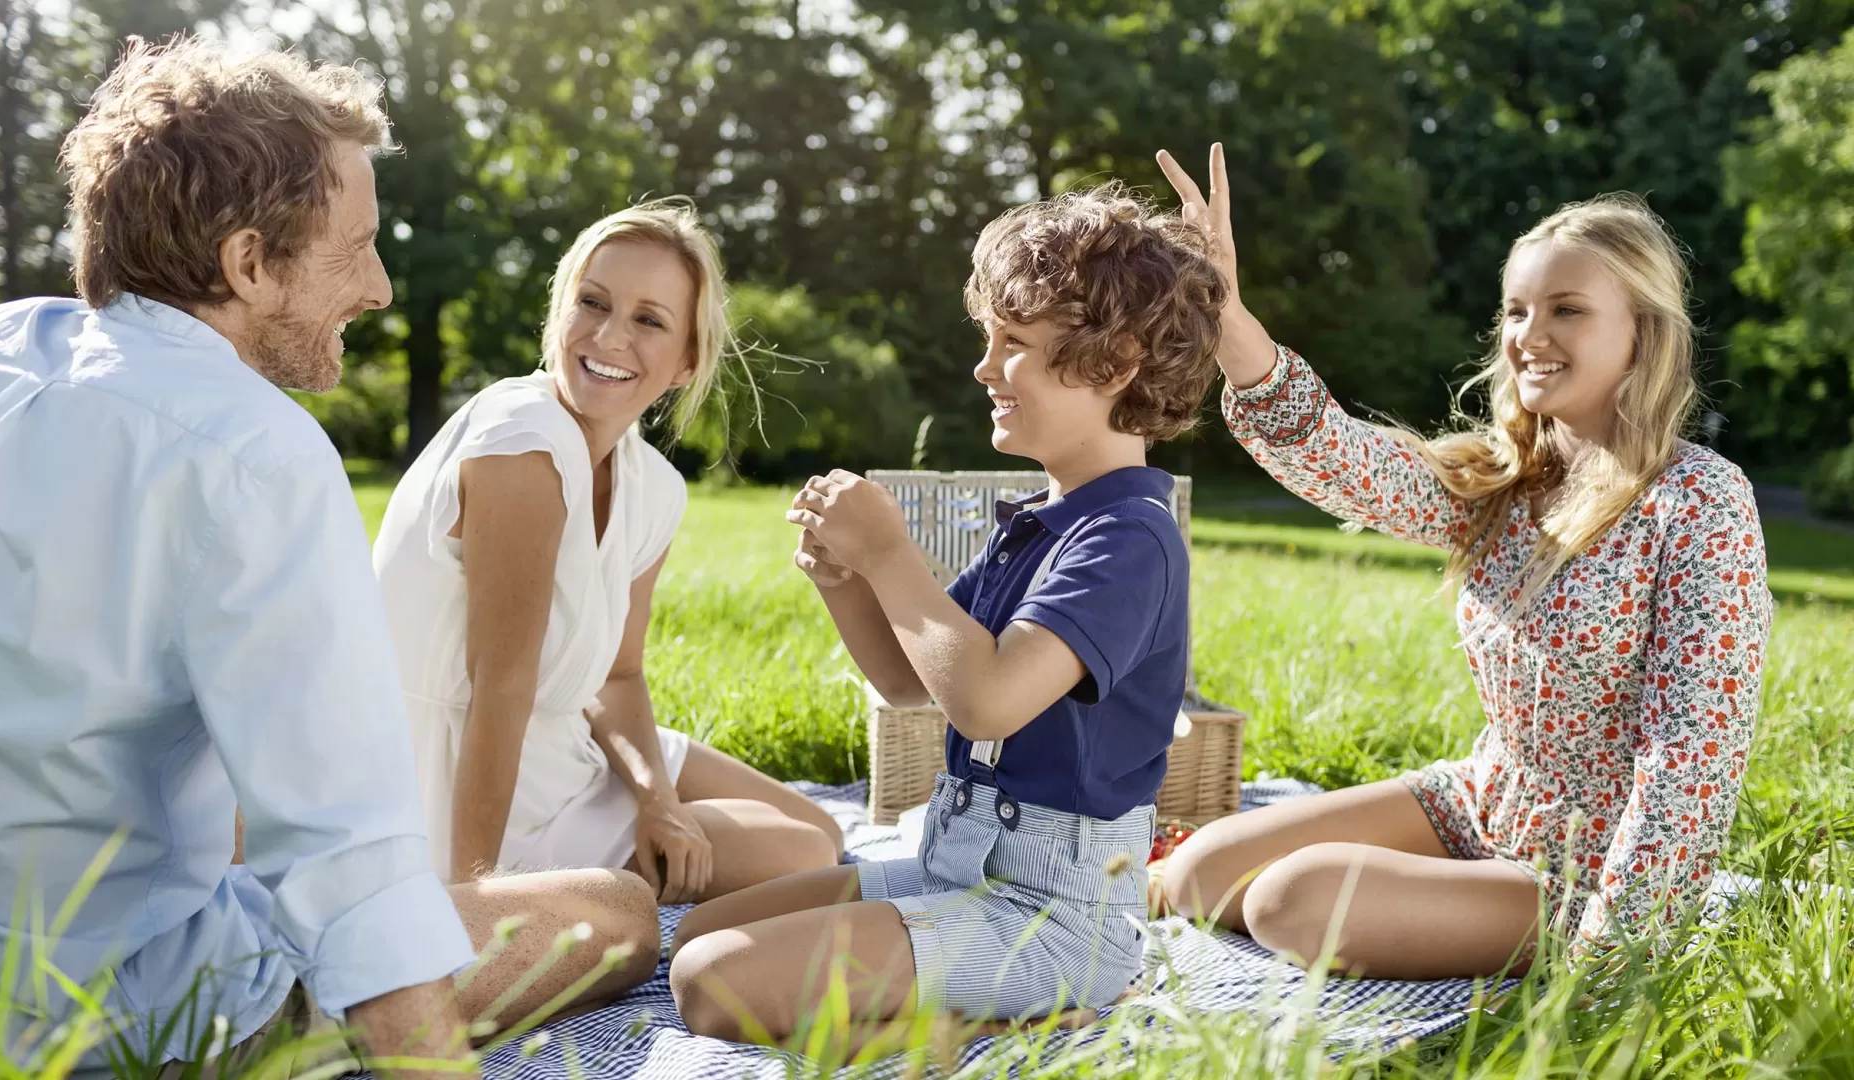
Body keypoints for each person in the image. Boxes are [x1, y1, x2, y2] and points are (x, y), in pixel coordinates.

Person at [0, 38, 657, 1077]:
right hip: (118, 1017)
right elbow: (350, 870)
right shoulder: (257, 452)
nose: (379, 287)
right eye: (354, 247)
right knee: (618, 911)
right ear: (245, 264)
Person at [1152, 145, 1773, 978]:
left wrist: (1612, 961)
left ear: (1644, 330)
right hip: (1481, 798)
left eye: (1566, 310)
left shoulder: (1700, 501)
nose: (1530, 337)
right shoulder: (1509, 479)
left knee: (1288, 901)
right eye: (1516, 311)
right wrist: (1226, 313)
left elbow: (1691, 755)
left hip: (1588, 871)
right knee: (1195, 871)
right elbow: (1341, 461)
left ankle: (1475, 913)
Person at [664, 183, 1226, 1046]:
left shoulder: (1128, 541)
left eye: (1014, 345)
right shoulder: (1046, 523)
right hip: (955, 869)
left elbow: (989, 701)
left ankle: (1013, 1029)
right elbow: (908, 679)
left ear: (1111, 366)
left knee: (713, 986)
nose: (984, 367)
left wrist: (892, 554)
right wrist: (846, 579)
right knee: (699, 935)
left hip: (1049, 918)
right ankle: (966, 1002)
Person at [371, 199, 843, 902]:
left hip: (560, 743)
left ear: (686, 360)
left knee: (822, 831)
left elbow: (618, 677)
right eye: (591, 302)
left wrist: (657, 798)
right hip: (452, 769)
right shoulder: (522, 440)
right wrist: (476, 897)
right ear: (558, 314)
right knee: (801, 852)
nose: (610, 335)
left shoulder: (652, 485)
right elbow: (500, 687)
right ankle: (584, 894)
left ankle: (642, 864)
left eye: (649, 319)